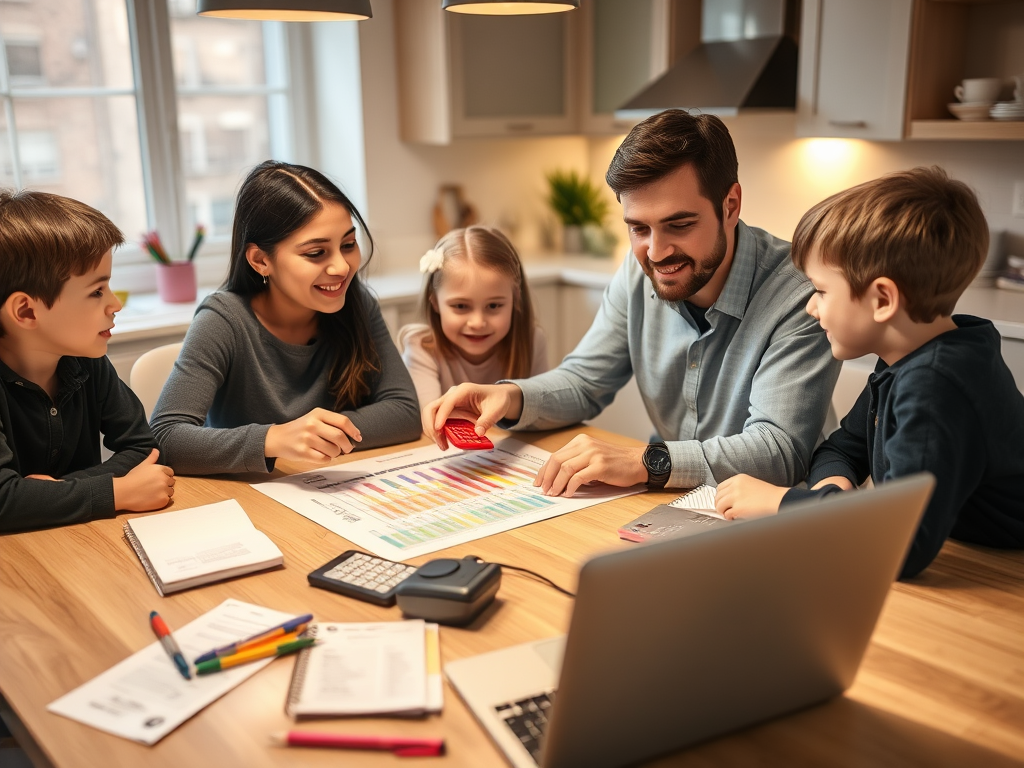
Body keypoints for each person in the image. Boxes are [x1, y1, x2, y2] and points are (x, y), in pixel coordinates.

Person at [424, 110, 840, 496]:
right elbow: (587, 380)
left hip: (774, 518)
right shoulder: (638, 271)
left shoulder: (800, 291)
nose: (656, 252)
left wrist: (646, 462)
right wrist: (510, 397)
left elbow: (779, 450)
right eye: (639, 228)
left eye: (679, 224)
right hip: (674, 504)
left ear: (730, 206)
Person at [714, 167, 1024, 578]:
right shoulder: (906, 353)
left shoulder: (935, 385)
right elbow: (843, 448)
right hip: (969, 547)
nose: (811, 306)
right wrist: (831, 491)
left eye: (821, 291)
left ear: (882, 300)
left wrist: (782, 504)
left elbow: (900, 545)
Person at [151, 161, 420, 475]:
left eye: (348, 245)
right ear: (261, 260)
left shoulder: (357, 303)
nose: (342, 268)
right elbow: (165, 437)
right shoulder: (223, 320)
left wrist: (316, 438)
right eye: (316, 253)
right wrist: (274, 439)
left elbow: (404, 412)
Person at [0, 190, 175, 532]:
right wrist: (114, 491)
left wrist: (52, 495)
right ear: (26, 311)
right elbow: (5, 500)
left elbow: (144, 448)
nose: (115, 304)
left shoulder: (86, 359)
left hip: (82, 539)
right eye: (96, 292)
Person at [398, 226, 548, 409]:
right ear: (435, 303)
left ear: (515, 298)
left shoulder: (531, 341)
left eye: (493, 306)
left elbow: (544, 410)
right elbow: (431, 415)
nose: (477, 323)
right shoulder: (421, 347)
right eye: (460, 306)